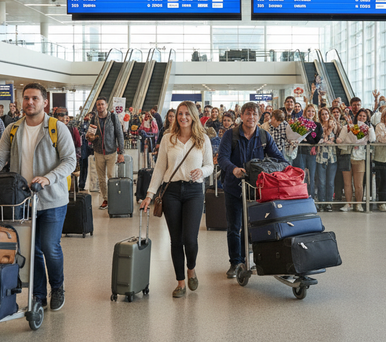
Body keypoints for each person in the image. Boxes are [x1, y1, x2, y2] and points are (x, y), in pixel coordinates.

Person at [0, 83, 76, 311]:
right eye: (26, 98)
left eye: (35, 98)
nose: (30, 102)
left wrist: (48, 178)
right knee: (30, 250)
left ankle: (58, 287)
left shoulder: (57, 128)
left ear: (45, 102)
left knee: (50, 247)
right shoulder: (13, 129)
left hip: (52, 199)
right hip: (23, 202)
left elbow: (70, 161)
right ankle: (38, 294)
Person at [139, 102, 213, 298]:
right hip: (171, 192)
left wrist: (202, 172)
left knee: (190, 239)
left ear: (194, 116)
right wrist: (149, 195)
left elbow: (210, 166)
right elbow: (160, 169)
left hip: (194, 191)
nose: (183, 117)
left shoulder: (202, 139)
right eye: (180, 114)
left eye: (187, 114)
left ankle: (191, 269)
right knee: (176, 240)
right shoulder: (167, 139)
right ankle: (180, 282)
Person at [217, 102, 288, 278]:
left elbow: (279, 158)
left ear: (259, 116)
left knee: (251, 227)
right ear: (241, 116)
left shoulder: (264, 136)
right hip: (234, 187)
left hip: (257, 190)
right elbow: (222, 158)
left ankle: (251, 260)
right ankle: (236, 262)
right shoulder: (230, 135)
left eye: (255, 114)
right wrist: (233, 169)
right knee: (234, 227)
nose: (251, 117)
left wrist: (281, 170)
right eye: (248, 114)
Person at [87, 97, 125, 210]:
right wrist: (90, 137)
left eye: (102, 104)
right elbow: (90, 135)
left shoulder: (113, 117)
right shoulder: (94, 119)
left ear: (107, 105)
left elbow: (119, 134)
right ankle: (106, 199)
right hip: (98, 152)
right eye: (98, 105)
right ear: (96, 107)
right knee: (101, 178)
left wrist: (121, 152)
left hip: (111, 152)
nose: (100, 106)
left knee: (111, 176)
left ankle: (114, 198)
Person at [336, 108, 376, 212]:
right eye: (360, 115)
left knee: (358, 184)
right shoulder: (347, 127)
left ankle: (359, 204)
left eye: (364, 116)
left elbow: (372, 140)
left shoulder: (367, 128)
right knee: (347, 183)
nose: (361, 118)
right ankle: (348, 204)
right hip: (346, 155)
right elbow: (340, 139)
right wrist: (340, 141)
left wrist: (370, 129)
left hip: (360, 157)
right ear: (356, 116)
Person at [293, 103, 322, 198]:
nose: (311, 113)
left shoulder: (317, 125)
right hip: (301, 152)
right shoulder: (301, 123)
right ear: (305, 112)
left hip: (311, 153)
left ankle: (312, 197)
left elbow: (315, 139)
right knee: (302, 176)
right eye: (309, 111)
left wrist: (308, 139)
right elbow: (297, 136)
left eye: (313, 111)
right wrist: (308, 139)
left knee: (312, 177)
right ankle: (302, 196)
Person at [315, 107, 338, 212]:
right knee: (321, 181)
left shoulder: (334, 126)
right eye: (323, 114)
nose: (325, 116)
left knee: (330, 182)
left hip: (332, 157)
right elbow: (320, 140)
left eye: (326, 114)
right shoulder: (318, 126)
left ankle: (329, 203)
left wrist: (327, 139)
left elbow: (334, 140)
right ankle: (321, 202)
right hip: (320, 157)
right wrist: (326, 137)